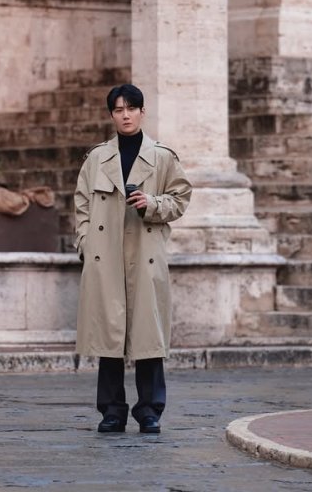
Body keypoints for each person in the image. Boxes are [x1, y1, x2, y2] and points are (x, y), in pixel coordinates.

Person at [73, 84, 192, 434]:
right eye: (118, 109)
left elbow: (180, 199)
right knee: (108, 336)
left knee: (147, 335)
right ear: (111, 114)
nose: (125, 115)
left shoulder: (163, 157)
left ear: (142, 112)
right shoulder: (96, 158)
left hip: (145, 253)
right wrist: (85, 243)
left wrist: (151, 203)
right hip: (105, 255)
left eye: (131, 108)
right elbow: (81, 204)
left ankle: (149, 410)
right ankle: (112, 410)